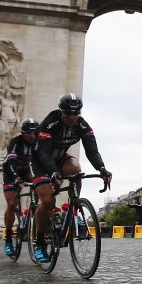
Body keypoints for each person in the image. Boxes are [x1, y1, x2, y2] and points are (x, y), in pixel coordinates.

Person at [31, 94, 112, 263]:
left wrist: (102, 168)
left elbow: (92, 151)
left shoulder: (81, 124)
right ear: (61, 112)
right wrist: (53, 172)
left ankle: (74, 209)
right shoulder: (51, 122)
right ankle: (39, 242)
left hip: (60, 157)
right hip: (40, 160)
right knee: (46, 202)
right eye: (68, 113)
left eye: (76, 113)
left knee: (75, 169)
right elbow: (44, 153)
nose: (72, 117)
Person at [1, 117, 39, 256]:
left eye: (35, 133)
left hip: (27, 171)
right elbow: (10, 161)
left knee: (40, 188)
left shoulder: (38, 143)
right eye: (30, 133)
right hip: (11, 172)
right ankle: (9, 237)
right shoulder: (15, 142)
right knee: (12, 203)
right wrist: (16, 178)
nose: (33, 136)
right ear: (23, 133)